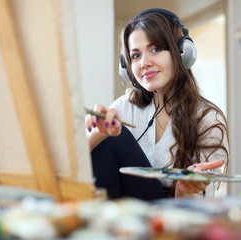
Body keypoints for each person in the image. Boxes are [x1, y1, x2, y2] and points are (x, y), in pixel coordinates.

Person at [85, 8, 229, 200]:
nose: (144, 62)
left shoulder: (208, 119)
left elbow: (194, 209)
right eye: (136, 55)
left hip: (174, 217)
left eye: (155, 49)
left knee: (115, 135)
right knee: (108, 136)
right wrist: (97, 132)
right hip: (124, 212)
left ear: (182, 52)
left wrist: (185, 188)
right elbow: (73, 165)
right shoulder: (124, 107)